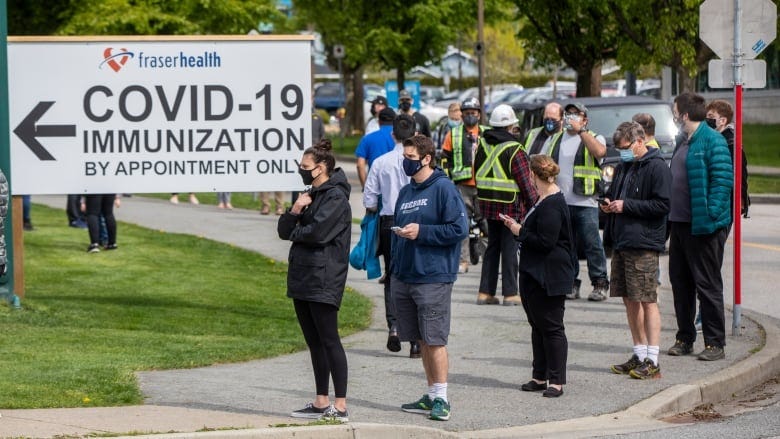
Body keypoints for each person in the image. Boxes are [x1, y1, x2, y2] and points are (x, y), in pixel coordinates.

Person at [392, 135, 468, 421]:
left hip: (433, 276)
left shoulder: (443, 188)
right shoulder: (406, 192)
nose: (405, 162)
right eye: (404, 156)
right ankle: (432, 393)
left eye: (411, 157)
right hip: (405, 274)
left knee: (435, 339)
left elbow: (458, 229)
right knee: (421, 339)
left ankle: (442, 399)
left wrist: (421, 232)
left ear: (426, 158)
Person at [277, 139, 352, 422]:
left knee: (330, 339)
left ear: (320, 168)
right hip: (302, 276)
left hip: (324, 277)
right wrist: (296, 210)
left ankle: (341, 405)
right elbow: (284, 231)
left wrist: (299, 229)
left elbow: (318, 234)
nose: (301, 171)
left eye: (305, 167)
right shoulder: (308, 194)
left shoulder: (335, 198)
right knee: (314, 341)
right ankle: (321, 400)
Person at [667, 92, 732, 361]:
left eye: (674, 110)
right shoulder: (683, 141)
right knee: (681, 284)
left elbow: (722, 181)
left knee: (707, 285)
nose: (672, 114)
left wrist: (710, 213)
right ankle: (685, 338)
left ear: (684, 114)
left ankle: (715, 343)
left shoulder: (712, 141)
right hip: (679, 225)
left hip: (703, 226)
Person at [603, 122, 671, 380]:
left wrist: (626, 206)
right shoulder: (624, 167)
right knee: (629, 298)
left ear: (640, 141)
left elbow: (662, 205)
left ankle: (653, 359)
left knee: (647, 299)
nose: (622, 153)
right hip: (622, 240)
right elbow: (615, 194)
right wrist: (610, 204)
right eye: (619, 149)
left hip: (643, 243)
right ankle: (639, 353)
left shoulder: (657, 167)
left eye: (626, 148)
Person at [501, 154, 573, 398]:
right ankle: (539, 376)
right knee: (537, 325)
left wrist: (518, 230)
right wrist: (518, 227)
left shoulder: (553, 202)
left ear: (533, 175)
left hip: (550, 274)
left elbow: (546, 241)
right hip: (533, 272)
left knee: (552, 327)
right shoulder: (541, 198)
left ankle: (557, 381)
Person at [363, 114, 417, 357]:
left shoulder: (381, 162)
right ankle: (416, 338)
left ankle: (394, 326)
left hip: (389, 220)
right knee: (415, 275)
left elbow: (369, 200)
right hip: (415, 219)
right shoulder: (419, 162)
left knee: (392, 275)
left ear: (392, 135)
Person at [474, 104, 537, 306]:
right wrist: (535, 204)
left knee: (492, 247)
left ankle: (485, 292)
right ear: (511, 126)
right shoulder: (514, 148)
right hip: (510, 206)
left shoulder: (483, 144)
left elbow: (477, 172)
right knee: (509, 247)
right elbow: (525, 183)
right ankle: (510, 293)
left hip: (488, 205)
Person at [546, 102, 610, 301]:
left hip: (586, 202)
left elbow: (600, 153)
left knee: (592, 244)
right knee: (567, 246)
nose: (570, 117)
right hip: (562, 202)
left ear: (585, 119)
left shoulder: (594, 136)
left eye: (576, 114)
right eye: (568, 114)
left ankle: (600, 282)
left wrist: (581, 131)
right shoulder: (556, 138)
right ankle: (571, 282)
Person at [440, 97, 487, 274]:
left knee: (487, 224)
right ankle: (463, 260)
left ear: (479, 115)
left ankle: (490, 260)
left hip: (484, 186)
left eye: (473, 114)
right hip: (462, 186)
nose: (470, 117)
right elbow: (445, 159)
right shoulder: (453, 134)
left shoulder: (486, 133)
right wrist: (447, 181)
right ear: (462, 114)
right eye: (466, 114)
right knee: (463, 224)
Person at [706, 99, 750, 218]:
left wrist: (741, 199)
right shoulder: (714, 139)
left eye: (711, 116)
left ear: (723, 120)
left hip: (726, 201)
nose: (707, 119)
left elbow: (741, 173)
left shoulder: (731, 143)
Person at [355, 107, 396, 188]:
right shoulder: (401, 138)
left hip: (376, 185)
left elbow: (360, 165)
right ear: (395, 121)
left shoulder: (367, 138)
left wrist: (365, 186)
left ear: (379, 121)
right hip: (397, 185)